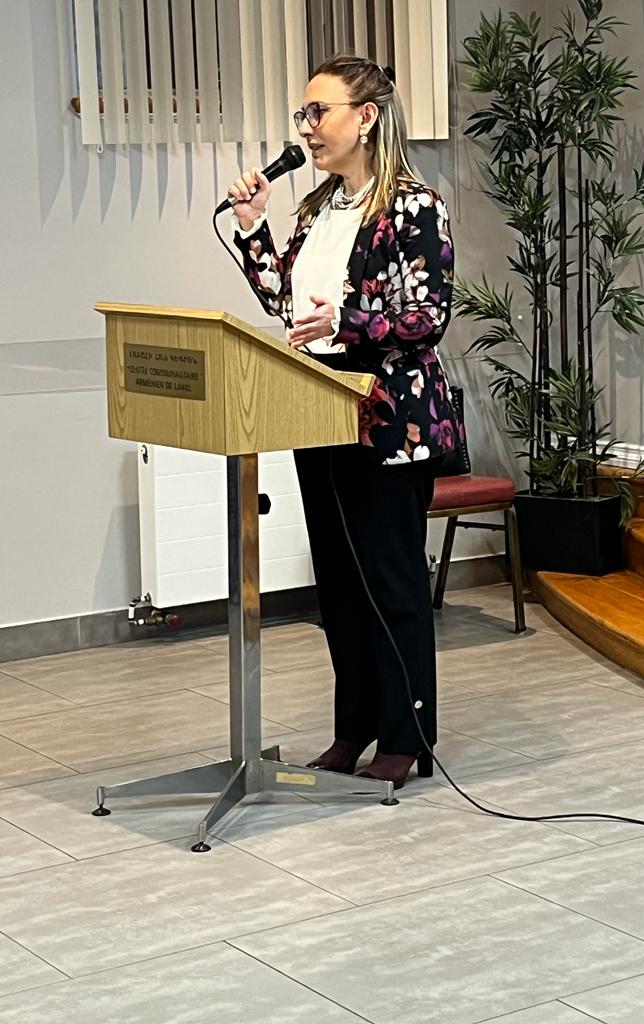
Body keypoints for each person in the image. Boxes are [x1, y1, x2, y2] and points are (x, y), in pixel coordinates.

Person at [227, 54, 458, 789]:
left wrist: (348, 320)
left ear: (366, 118)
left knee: (391, 580)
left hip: (389, 419)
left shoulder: (414, 207)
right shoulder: (317, 211)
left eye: (318, 111)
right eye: (303, 113)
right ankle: (353, 728)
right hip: (319, 407)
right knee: (340, 583)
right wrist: (253, 230)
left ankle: (406, 737)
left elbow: (428, 316)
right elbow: (287, 305)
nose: (306, 127)